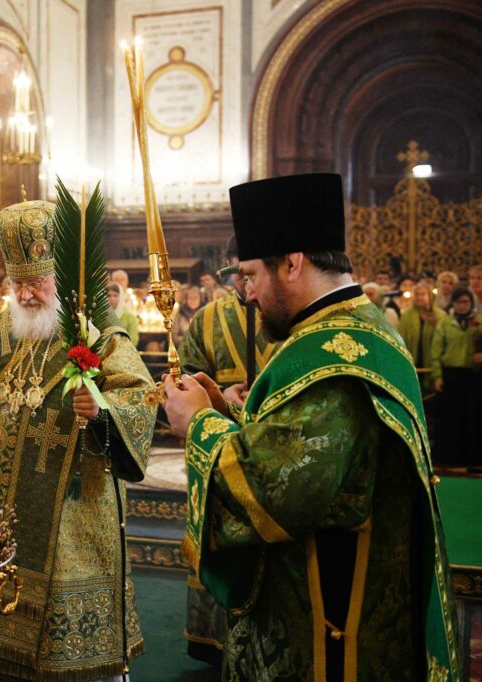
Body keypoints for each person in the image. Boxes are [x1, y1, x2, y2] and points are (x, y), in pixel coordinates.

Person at [164, 173, 459, 680]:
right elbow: (311, 448)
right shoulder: (355, 329)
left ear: (293, 263)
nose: (248, 295)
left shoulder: (333, 358)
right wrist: (228, 415)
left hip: (331, 629)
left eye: (252, 275)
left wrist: (198, 423)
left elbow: (276, 489)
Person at [0, 198, 156, 679]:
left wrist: (102, 410)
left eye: (36, 282)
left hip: (71, 507)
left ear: (60, 278)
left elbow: (141, 394)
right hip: (2, 501)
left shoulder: (97, 333)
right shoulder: (2, 331)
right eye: (17, 284)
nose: (26, 294)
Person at [176, 236, 279, 665]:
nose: (243, 282)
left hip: (268, 449)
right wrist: (217, 393)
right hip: (217, 444)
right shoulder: (208, 318)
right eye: (237, 273)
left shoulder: (285, 316)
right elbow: (184, 378)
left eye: (249, 272)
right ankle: (213, 639)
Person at [430, 287, 481, 469]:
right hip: (451, 375)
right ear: (453, 304)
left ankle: (472, 457)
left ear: (471, 303)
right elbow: (436, 350)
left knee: (473, 417)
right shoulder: (446, 323)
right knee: (451, 418)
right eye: (458, 302)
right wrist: (437, 375)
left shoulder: (479, 322)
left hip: (474, 375)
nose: (462, 306)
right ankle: (449, 457)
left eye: (465, 302)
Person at [399, 282, 445, 372]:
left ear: (430, 296)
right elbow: (401, 337)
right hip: (412, 358)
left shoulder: (440, 315)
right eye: (417, 294)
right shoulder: (406, 315)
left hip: (432, 360)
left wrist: (435, 324)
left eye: (423, 294)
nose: (419, 297)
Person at [107, 281, 139, 346]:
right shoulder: (101, 316)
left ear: (120, 297)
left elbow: (133, 339)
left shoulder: (129, 317)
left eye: (115, 295)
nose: (112, 299)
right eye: (109, 295)